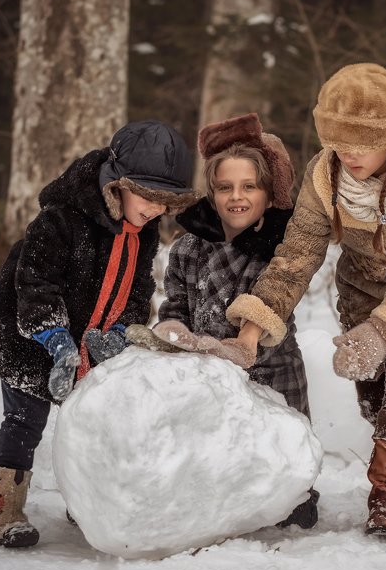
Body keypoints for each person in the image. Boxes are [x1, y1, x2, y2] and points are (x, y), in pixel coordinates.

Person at [221, 63, 386, 537]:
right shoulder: (325, 177)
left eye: (363, 143)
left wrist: (384, 333)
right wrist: (253, 328)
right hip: (363, 293)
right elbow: (298, 255)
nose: (350, 155)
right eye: (340, 143)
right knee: (375, 405)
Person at [0, 120, 199, 548]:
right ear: (118, 183)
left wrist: (117, 331)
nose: (155, 208)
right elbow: (35, 286)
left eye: (166, 201)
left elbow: (138, 290)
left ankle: (86, 503)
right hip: (30, 340)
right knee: (25, 421)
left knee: (93, 421)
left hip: (89, 343)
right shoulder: (61, 220)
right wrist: (55, 340)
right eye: (148, 196)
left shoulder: (144, 230)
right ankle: (4, 511)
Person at [127, 112, 318, 529]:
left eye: (250, 186)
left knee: (289, 495)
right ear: (211, 194)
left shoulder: (282, 250)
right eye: (225, 187)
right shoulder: (188, 249)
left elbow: (274, 302)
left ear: (269, 192)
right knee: (216, 467)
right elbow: (176, 302)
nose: (237, 196)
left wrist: (243, 341)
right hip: (208, 372)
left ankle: (291, 491)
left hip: (272, 369)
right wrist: (173, 328)